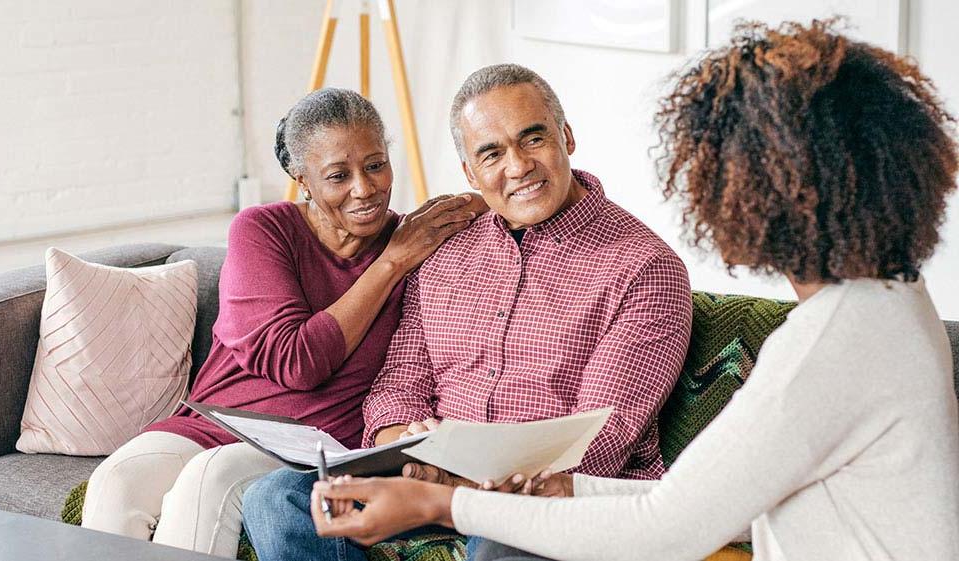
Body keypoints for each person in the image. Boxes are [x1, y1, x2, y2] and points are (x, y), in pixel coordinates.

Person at [306, 20, 959, 561]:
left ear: (765, 193)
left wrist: (445, 501)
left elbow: (668, 525)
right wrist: (561, 494)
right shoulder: (892, 302)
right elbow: (712, 510)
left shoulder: (831, 343)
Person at [242, 64, 693, 561]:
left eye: (533, 138)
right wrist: (403, 442)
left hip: (543, 498)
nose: (518, 166)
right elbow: (399, 382)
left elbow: (602, 439)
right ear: (470, 173)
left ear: (566, 136)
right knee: (278, 497)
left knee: (503, 541)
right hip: (429, 479)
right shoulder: (445, 249)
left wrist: (448, 489)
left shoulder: (645, 268)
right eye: (491, 153)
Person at [80, 88, 486, 558]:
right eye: (338, 175)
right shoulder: (264, 230)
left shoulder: (412, 240)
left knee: (208, 479)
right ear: (303, 180)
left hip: (316, 443)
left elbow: (492, 202)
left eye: (376, 165)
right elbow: (296, 361)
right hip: (217, 420)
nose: (365, 188)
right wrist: (390, 264)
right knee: (116, 482)